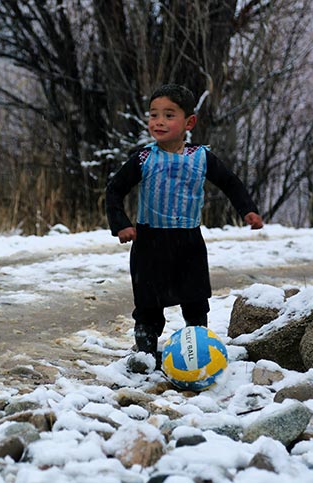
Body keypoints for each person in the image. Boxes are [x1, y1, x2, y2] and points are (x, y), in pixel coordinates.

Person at [105, 84, 263, 372]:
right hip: (149, 242)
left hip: (188, 241)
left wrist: (247, 210)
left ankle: (198, 347)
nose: (159, 122)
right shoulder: (143, 158)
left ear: (189, 122)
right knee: (148, 302)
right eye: (154, 115)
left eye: (168, 115)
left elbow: (231, 183)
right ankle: (146, 350)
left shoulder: (201, 158)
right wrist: (121, 224)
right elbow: (114, 189)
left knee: (195, 298)